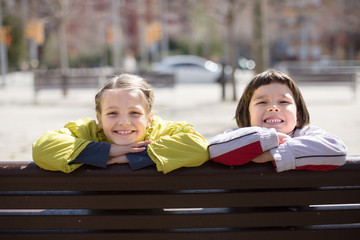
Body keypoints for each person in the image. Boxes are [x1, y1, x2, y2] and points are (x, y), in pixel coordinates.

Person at [32, 74, 209, 173]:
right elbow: (43, 147)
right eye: (112, 113)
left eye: (134, 113)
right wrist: (108, 151)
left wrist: (136, 155)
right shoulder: (87, 131)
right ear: (99, 119)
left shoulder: (162, 131)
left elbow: (199, 147)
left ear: (149, 119)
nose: (124, 122)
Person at [208, 69, 347, 172]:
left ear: (298, 114)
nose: (273, 108)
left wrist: (273, 155)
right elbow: (215, 149)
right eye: (262, 102)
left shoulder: (307, 133)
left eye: (283, 101)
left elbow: (337, 150)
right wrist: (268, 138)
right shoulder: (237, 135)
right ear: (247, 113)